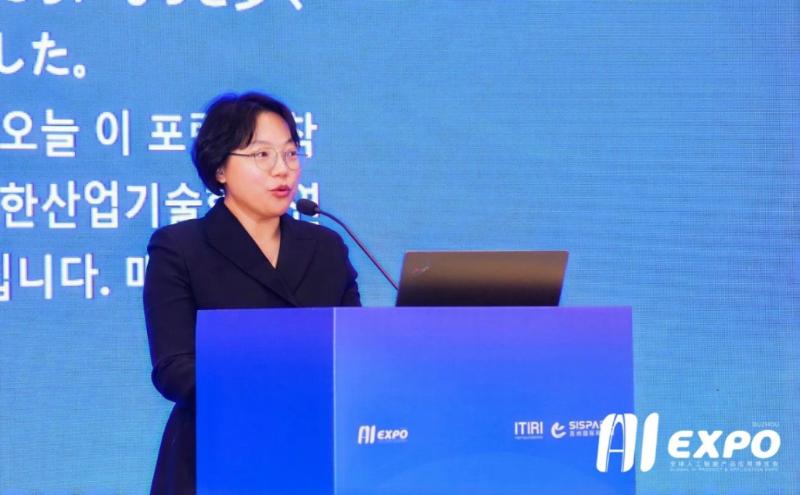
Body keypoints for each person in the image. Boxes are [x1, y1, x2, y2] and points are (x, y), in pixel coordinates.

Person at [143, 92, 360, 494]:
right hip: (217, 455)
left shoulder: (326, 247)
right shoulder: (180, 248)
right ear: (220, 168)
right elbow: (173, 368)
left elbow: (355, 348)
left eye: (291, 153)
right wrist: (266, 386)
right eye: (262, 155)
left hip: (311, 453)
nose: (283, 169)